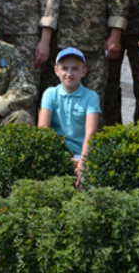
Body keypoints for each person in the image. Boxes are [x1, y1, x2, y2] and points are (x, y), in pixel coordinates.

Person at [38, 48, 100, 184]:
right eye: (64, 68)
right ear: (56, 71)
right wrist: (63, 157)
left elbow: (91, 133)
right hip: (56, 152)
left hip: (82, 153)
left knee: (85, 181)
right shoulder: (50, 94)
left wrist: (82, 163)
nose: (69, 73)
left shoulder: (91, 97)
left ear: (84, 72)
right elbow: (43, 131)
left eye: (75, 69)